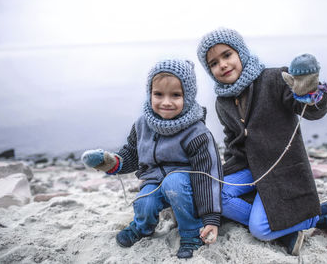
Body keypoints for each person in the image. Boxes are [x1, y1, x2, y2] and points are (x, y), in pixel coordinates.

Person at [196, 28, 327, 256]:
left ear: (241, 53)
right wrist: (224, 175)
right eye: (213, 63)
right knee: (215, 193)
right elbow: (234, 142)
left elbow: (311, 110)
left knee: (259, 229)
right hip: (251, 169)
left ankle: (322, 214)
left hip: (282, 169)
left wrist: (311, 94)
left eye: (227, 55)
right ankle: (286, 228)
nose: (222, 64)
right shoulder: (222, 102)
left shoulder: (274, 79)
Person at [81, 59, 223, 259]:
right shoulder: (142, 124)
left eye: (175, 95)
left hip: (186, 185)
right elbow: (132, 153)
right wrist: (112, 162)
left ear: (188, 97)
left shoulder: (197, 133)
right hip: (154, 180)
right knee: (144, 201)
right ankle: (142, 227)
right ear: (150, 93)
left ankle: (191, 232)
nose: (166, 102)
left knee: (174, 182)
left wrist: (211, 217)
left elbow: (209, 174)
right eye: (158, 94)